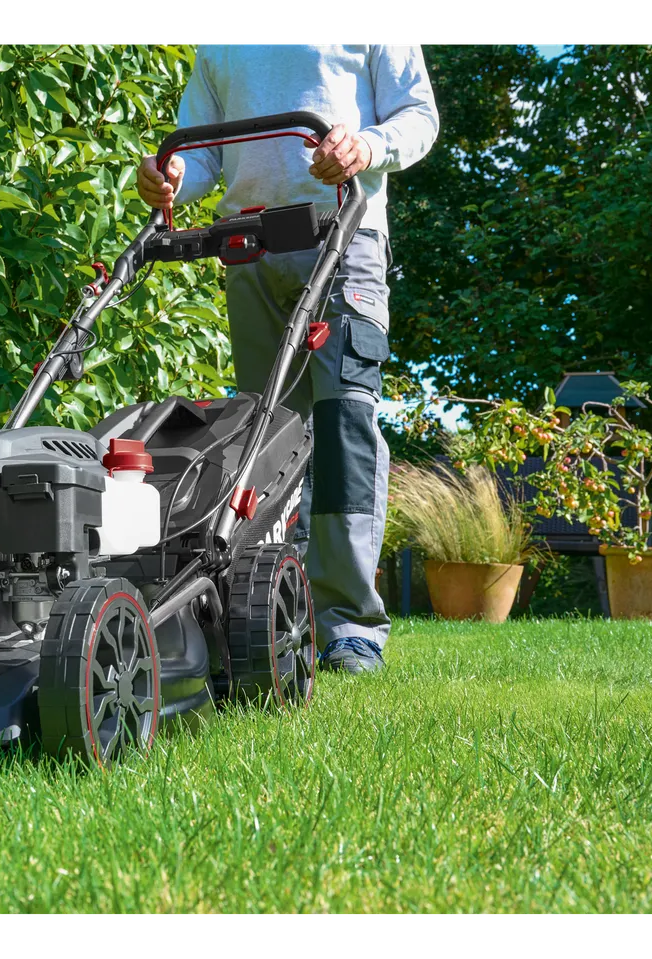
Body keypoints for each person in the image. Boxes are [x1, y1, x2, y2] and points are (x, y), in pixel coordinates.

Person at [138, 42, 439, 673]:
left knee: (344, 423)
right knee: (267, 435)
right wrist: (170, 180)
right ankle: (271, 612)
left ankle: (350, 626)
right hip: (249, 245)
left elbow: (419, 116)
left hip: (344, 231)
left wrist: (365, 147)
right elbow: (203, 155)